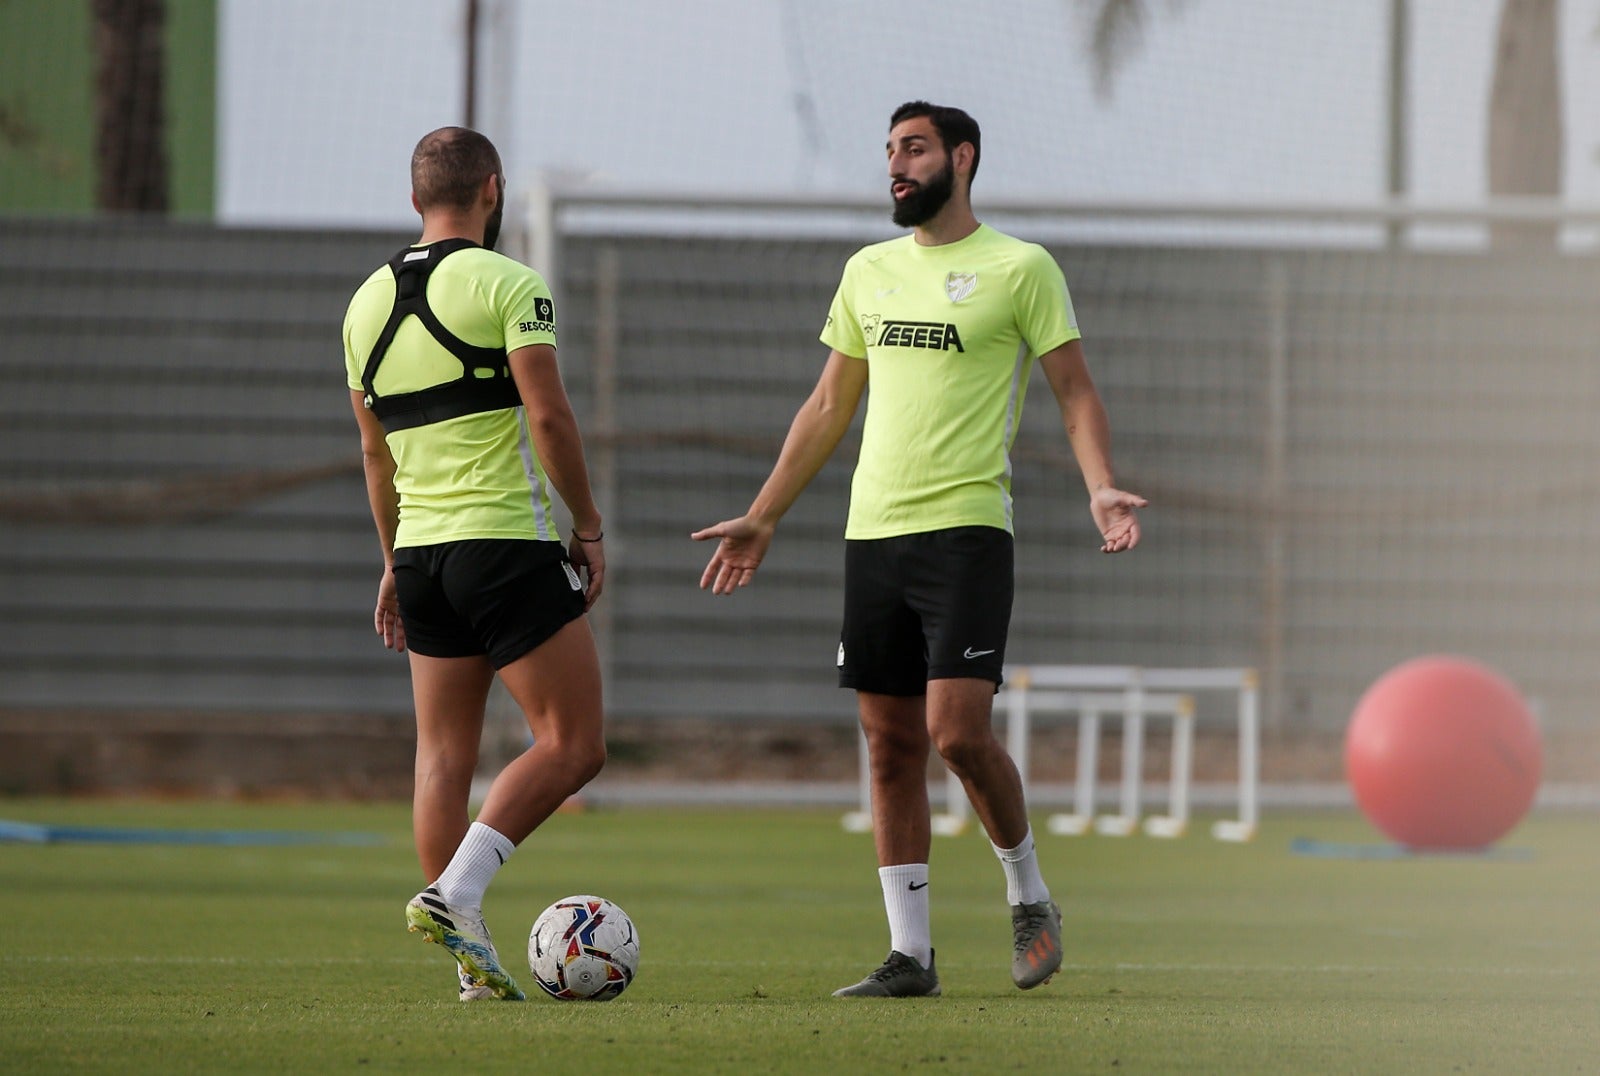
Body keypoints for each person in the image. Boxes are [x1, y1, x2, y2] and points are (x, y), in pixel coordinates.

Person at [693, 101, 1146, 998]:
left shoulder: (1021, 268)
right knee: (888, 743)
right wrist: (765, 513)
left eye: (914, 149)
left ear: (962, 158)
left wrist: (1099, 484)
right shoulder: (868, 271)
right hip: (875, 536)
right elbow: (828, 407)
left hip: (969, 532)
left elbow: (1075, 391)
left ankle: (1029, 899)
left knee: (955, 733)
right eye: (890, 152)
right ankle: (911, 956)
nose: (896, 166)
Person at [343, 126, 608, 1002]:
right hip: (503, 544)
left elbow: (377, 460)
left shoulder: (362, 305)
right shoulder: (509, 282)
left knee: (441, 754)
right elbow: (550, 418)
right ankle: (456, 895)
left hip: (418, 556)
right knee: (572, 744)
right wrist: (591, 525)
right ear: (490, 189)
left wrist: (392, 561)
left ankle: (471, 970)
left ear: (415, 194)